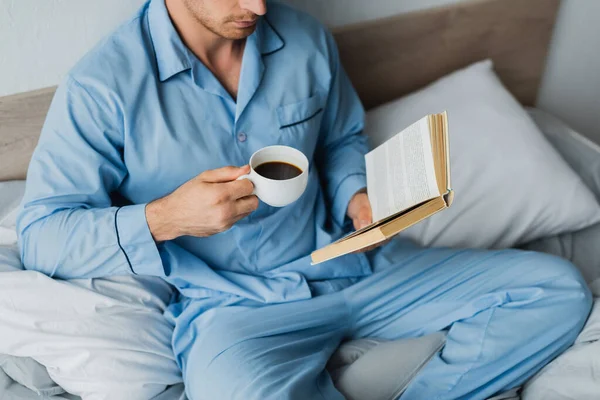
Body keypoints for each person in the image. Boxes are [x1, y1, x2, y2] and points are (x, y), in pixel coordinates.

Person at [17, 0, 592, 399]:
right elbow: (42, 234)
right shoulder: (102, 88)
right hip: (233, 309)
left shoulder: (307, 40)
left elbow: (341, 138)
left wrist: (356, 197)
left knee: (558, 290)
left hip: (356, 266)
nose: (261, 10)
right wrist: (165, 218)